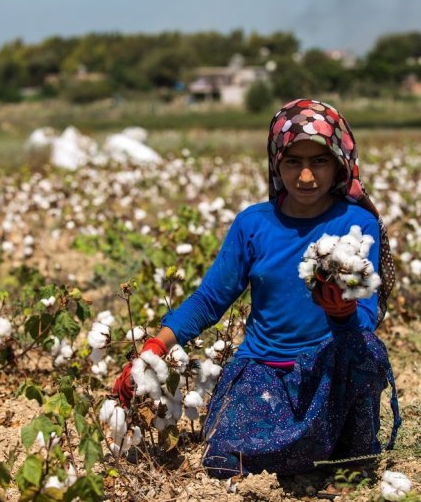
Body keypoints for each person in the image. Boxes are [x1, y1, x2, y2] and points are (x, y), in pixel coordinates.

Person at [113, 98, 401, 478]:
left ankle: (346, 455)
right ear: (276, 162)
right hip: (263, 370)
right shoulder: (253, 224)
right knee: (226, 462)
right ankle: (316, 452)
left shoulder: (357, 225)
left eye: (319, 161)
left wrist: (341, 313)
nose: (306, 177)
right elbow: (209, 300)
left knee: (365, 355)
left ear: (340, 163)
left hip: (328, 369)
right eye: (293, 162)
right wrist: (154, 348)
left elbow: (364, 322)